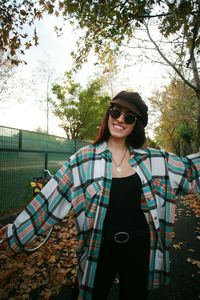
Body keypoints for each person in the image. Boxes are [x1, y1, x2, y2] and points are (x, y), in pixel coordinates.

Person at [0, 91, 200, 300]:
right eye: (116, 112)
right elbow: (52, 197)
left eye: (129, 117)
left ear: (136, 125)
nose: (120, 119)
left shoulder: (153, 159)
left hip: (139, 250)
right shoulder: (84, 159)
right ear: (108, 114)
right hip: (98, 249)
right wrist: (15, 233)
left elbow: (190, 169)